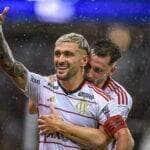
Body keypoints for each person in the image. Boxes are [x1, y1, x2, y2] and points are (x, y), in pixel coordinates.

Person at [0, 7, 134, 150]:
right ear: (85, 61)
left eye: (98, 70)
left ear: (112, 71)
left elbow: (106, 140)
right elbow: (32, 107)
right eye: (88, 67)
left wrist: (60, 126)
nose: (89, 74)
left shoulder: (115, 98)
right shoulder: (52, 83)